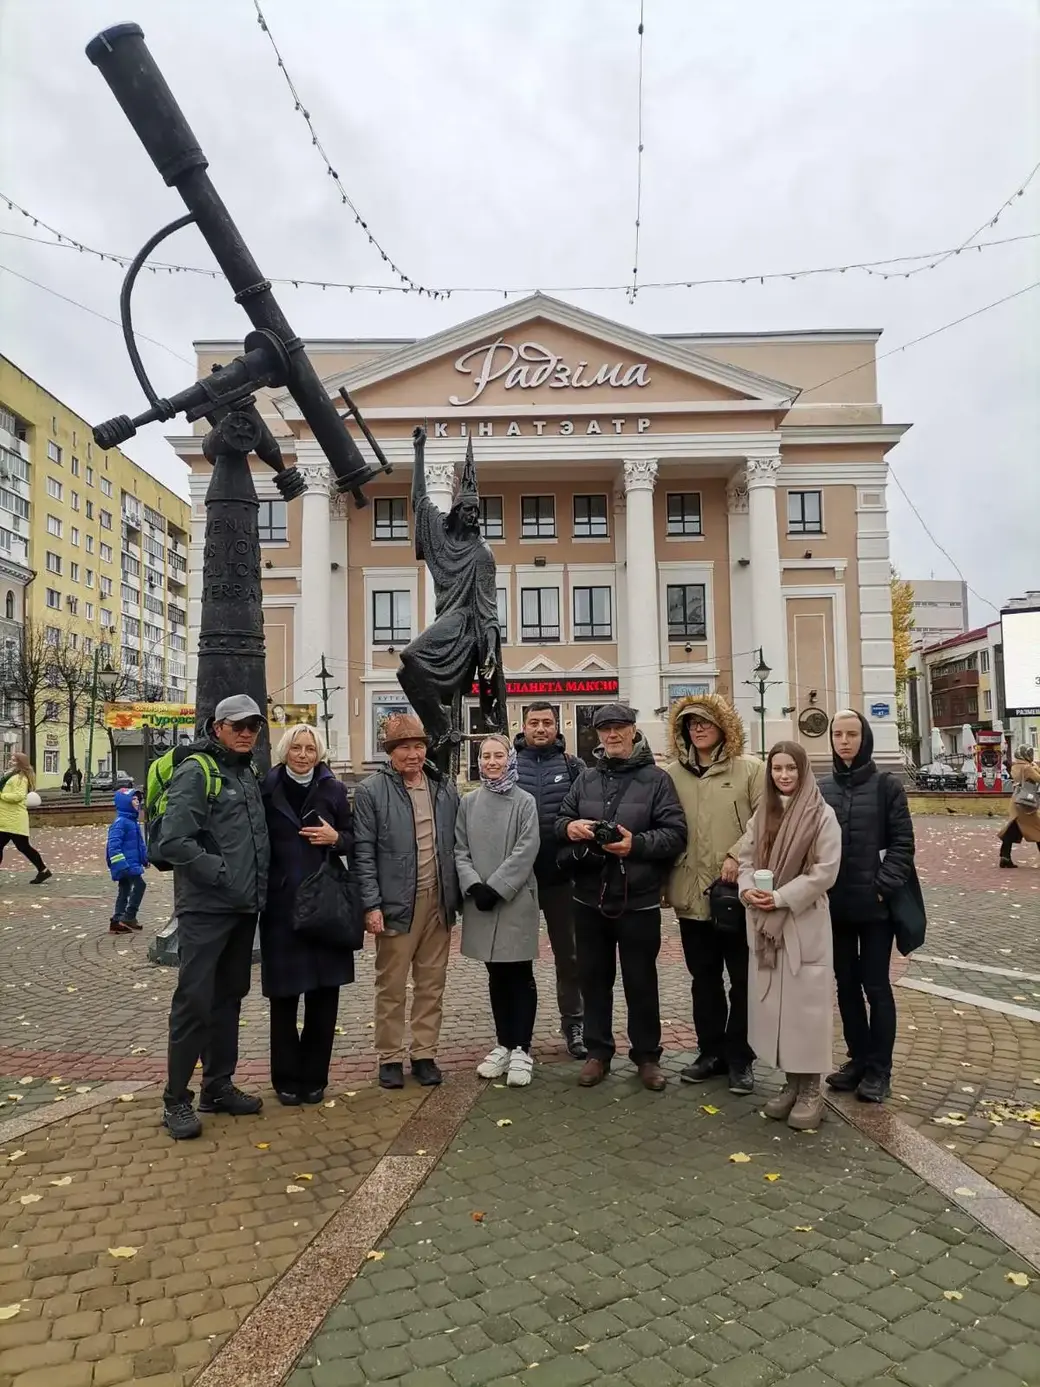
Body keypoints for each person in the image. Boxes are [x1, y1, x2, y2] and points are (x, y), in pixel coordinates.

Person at [155, 694, 270, 1140]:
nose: (246, 733)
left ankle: (217, 1086)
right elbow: (174, 840)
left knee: (228, 1000)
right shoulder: (196, 771)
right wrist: (220, 873)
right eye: (238, 725)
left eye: (253, 726)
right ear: (217, 727)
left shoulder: (246, 773)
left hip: (243, 908)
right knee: (194, 1003)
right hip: (206, 908)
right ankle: (175, 1100)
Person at [556, 703, 686, 1092]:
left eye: (619, 729)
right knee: (594, 979)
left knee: (641, 981)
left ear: (633, 731)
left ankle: (647, 1056)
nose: (612, 736)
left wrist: (636, 845)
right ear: (597, 736)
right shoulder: (586, 779)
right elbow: (560, 822)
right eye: (605, 730)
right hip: (589, 898)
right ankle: (598, 1053)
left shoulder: (657, 780)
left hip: (638, 899)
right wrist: (573, 827)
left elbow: (676, 834)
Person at [353, 713, 461, 1090]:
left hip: (439, 901)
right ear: (390, 753)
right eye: (404, 749)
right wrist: (371, 904)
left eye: (418, 747)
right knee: (392, 985)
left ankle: (424, 1053)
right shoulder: (371, 792)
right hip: (398, 903)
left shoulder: (443, 786)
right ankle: (389, 1057)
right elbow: (362, 852)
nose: (413, 755)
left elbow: (456, 843)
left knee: (432, 984)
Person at [663, 695, 764, 1095]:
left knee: (742, 979)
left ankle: (741, 1057)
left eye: (705, 721)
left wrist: (737, 855)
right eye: (690, 724)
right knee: (703, 979)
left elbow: (766, 820)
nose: (698, 729)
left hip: (735, 894)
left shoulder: (750, 770)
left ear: (724, 725)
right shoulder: (672, 774)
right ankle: (711, 1051)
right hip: (691, 894)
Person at [738, 742, 842, 1130]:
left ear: (803, 770)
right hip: (765, 922)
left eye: (790, 768)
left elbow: (825, 871)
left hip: (802, 921)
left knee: (806, 1010)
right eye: (777, 768)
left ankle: (812, 1089)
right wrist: (748, 889)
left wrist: (782, 896)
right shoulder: (762, 813)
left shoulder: (820, 815)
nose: (783, 775)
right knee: (776, 1008)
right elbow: (746, 857)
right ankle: (791, 1083)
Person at [820, 709, 914, 1104]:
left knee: (875, 986)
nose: (844, 741)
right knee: (845, 985)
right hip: (836, 906)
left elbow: (902, 845)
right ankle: (857, 1058)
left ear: (865, 737)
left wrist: (881, 887)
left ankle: (879, 1070)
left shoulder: (886, 786)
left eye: (852, 734)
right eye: (838, 734)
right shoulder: (822, 787)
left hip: (876, 909)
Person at [259, 723, 356, 1105]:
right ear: (286, 751)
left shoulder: (333, 789)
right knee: (283, 999)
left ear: (319, 754)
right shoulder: (266, 788)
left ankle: (315, 1077)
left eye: (310, 749)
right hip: (281, 906)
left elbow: (354, 837)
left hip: (325, 904)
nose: (303, 755)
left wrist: (337, 839)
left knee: (323, 996)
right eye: (296, 748)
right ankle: (285, 1078)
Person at [456, 735, 541, 1086]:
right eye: (486, 756)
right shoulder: (469, 802)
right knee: (496, 976)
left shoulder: (525, 801)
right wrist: (474, 884)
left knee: (519, 974)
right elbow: (459, 846)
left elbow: (527, 848)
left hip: (514, 900)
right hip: (481, 902)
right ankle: (504, 1043)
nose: (492, 762)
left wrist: (497, 886)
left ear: (510, 759)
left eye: (499, 756)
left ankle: (522, 1047)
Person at [514, 703, 585, 1059]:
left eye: (547, 723)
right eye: (534, 722)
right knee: (516, 958)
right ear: (522, 725)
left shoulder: (574, 767)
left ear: (558, 727)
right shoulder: (509, 765)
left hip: (561, 879)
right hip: (519, 882)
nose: (540, 729)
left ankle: (575, 1024)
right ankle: (516, 1033)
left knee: (569, 957)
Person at [0, 753, 51, 884]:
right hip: (6, 819)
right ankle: (43, 870)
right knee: (23, 847)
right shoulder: (10, 775)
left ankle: (43, 870)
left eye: (13, 759)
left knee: (24, 847)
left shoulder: (20, 778)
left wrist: (1, 795)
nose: (10, 761)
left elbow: (18, 796)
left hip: (14, 819)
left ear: (19, 762)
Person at [106, 787, 148, 935]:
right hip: (126, 865)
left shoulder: (132, 821)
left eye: (138, 799)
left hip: (131, 864)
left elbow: (139, 844)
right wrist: (121, 864)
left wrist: (144, 859)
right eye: (133, 799)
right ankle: (128, 916)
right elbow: (113, 846)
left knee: (124, 891)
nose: (137, 802)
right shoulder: (121, 823)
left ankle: (117, 921)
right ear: (125, 803)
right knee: (139, 886)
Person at [998, 745, 1040, 867]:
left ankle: (1005, 857)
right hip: (1026, 803)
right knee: (1037, 828)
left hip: (1017, 800)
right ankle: (1005, 857)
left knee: (1012, 829)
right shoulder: (1027, 768)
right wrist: (1036, 768)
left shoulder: (1015, 766)